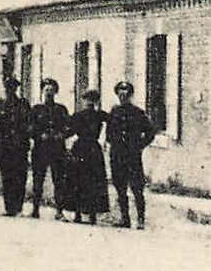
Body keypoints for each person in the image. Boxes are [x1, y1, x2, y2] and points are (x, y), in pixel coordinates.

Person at [106, 80, 157, 229]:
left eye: (126, 94)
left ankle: (140, 220)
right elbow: (109, 134)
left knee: (137, 188)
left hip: (132, 156)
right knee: (120, 188)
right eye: (120, 94)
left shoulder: (138, 113)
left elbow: (150, 132)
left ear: (130, 95)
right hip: (117, 156)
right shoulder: (114, 112)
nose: (123, 97)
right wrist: (114, 143)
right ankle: (125, 218)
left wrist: (139, 146)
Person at [0, 76, 32, 216]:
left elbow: (31, 121)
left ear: (16, 89)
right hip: (5, 145)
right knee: (7, 176)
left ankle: (19, 207)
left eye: (13, 88)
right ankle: (10, 208)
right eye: (8, 88)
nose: (10, 90)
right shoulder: (0, 104)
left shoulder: (23, 104)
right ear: (5, 89)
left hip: (21, 145)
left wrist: (27, 132)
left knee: (21, 176)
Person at [65, 88, 110, 225]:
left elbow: (113, 122)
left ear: (96, 101)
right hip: (81, 148)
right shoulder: (78, 116)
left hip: (92, 149)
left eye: (92, 100)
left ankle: (92, 214)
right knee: (78, 180)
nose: (89, 102)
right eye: (87, 99)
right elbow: (69, 131)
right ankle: (78, 213)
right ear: (83, 100)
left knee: (93, 182)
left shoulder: (100, 115)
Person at [28, 77, 71, 220]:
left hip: (57, 150)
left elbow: (69, 127)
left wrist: (62, 134)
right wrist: (39, 135)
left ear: (56, 92)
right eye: (46, 90)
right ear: (42, 91)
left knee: (59, 180)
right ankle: (35, 209)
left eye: (52, 91)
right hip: (40, 149)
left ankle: (59, 211)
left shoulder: (61, 109)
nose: (49, 93)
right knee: (37, 180)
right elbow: (29, 127)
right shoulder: (36, 109)